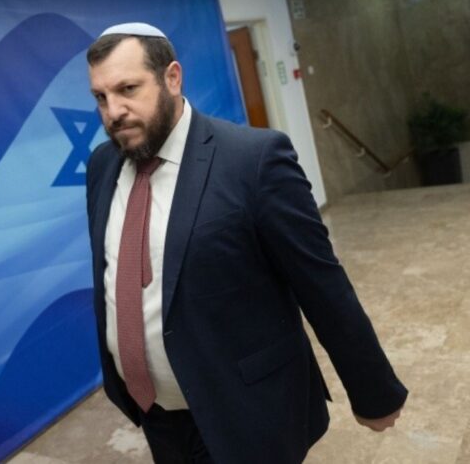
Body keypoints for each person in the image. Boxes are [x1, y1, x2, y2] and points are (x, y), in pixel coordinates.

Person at [84, 23, 407, 463]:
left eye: (128, 89)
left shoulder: (252, 160)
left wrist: (373, 392)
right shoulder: (103, 165)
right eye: (101, 97)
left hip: (248, 412)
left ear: (172, 78)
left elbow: (322, 284)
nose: (113, 111)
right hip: (158, 416)